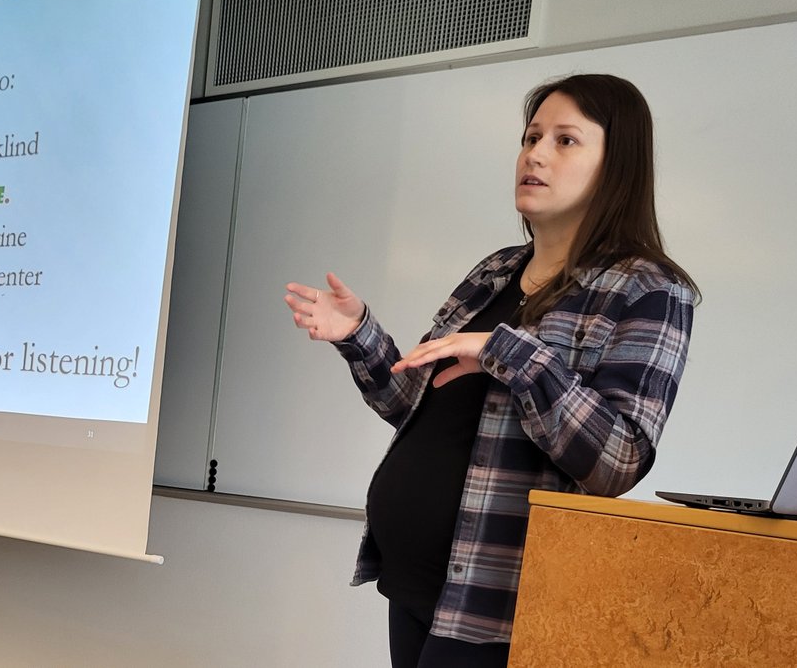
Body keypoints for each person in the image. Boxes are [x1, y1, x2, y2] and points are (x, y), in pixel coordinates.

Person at [283, 74, 697, 667]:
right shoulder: (496, 271)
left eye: (565, 140)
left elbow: (618, 460)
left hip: (496, 602)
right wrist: (358, 335)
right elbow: (414, 403)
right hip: (415, 582)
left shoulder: (648, 290)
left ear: (617, 165)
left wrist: (511, 356)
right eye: (531, 136)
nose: (535, 153)